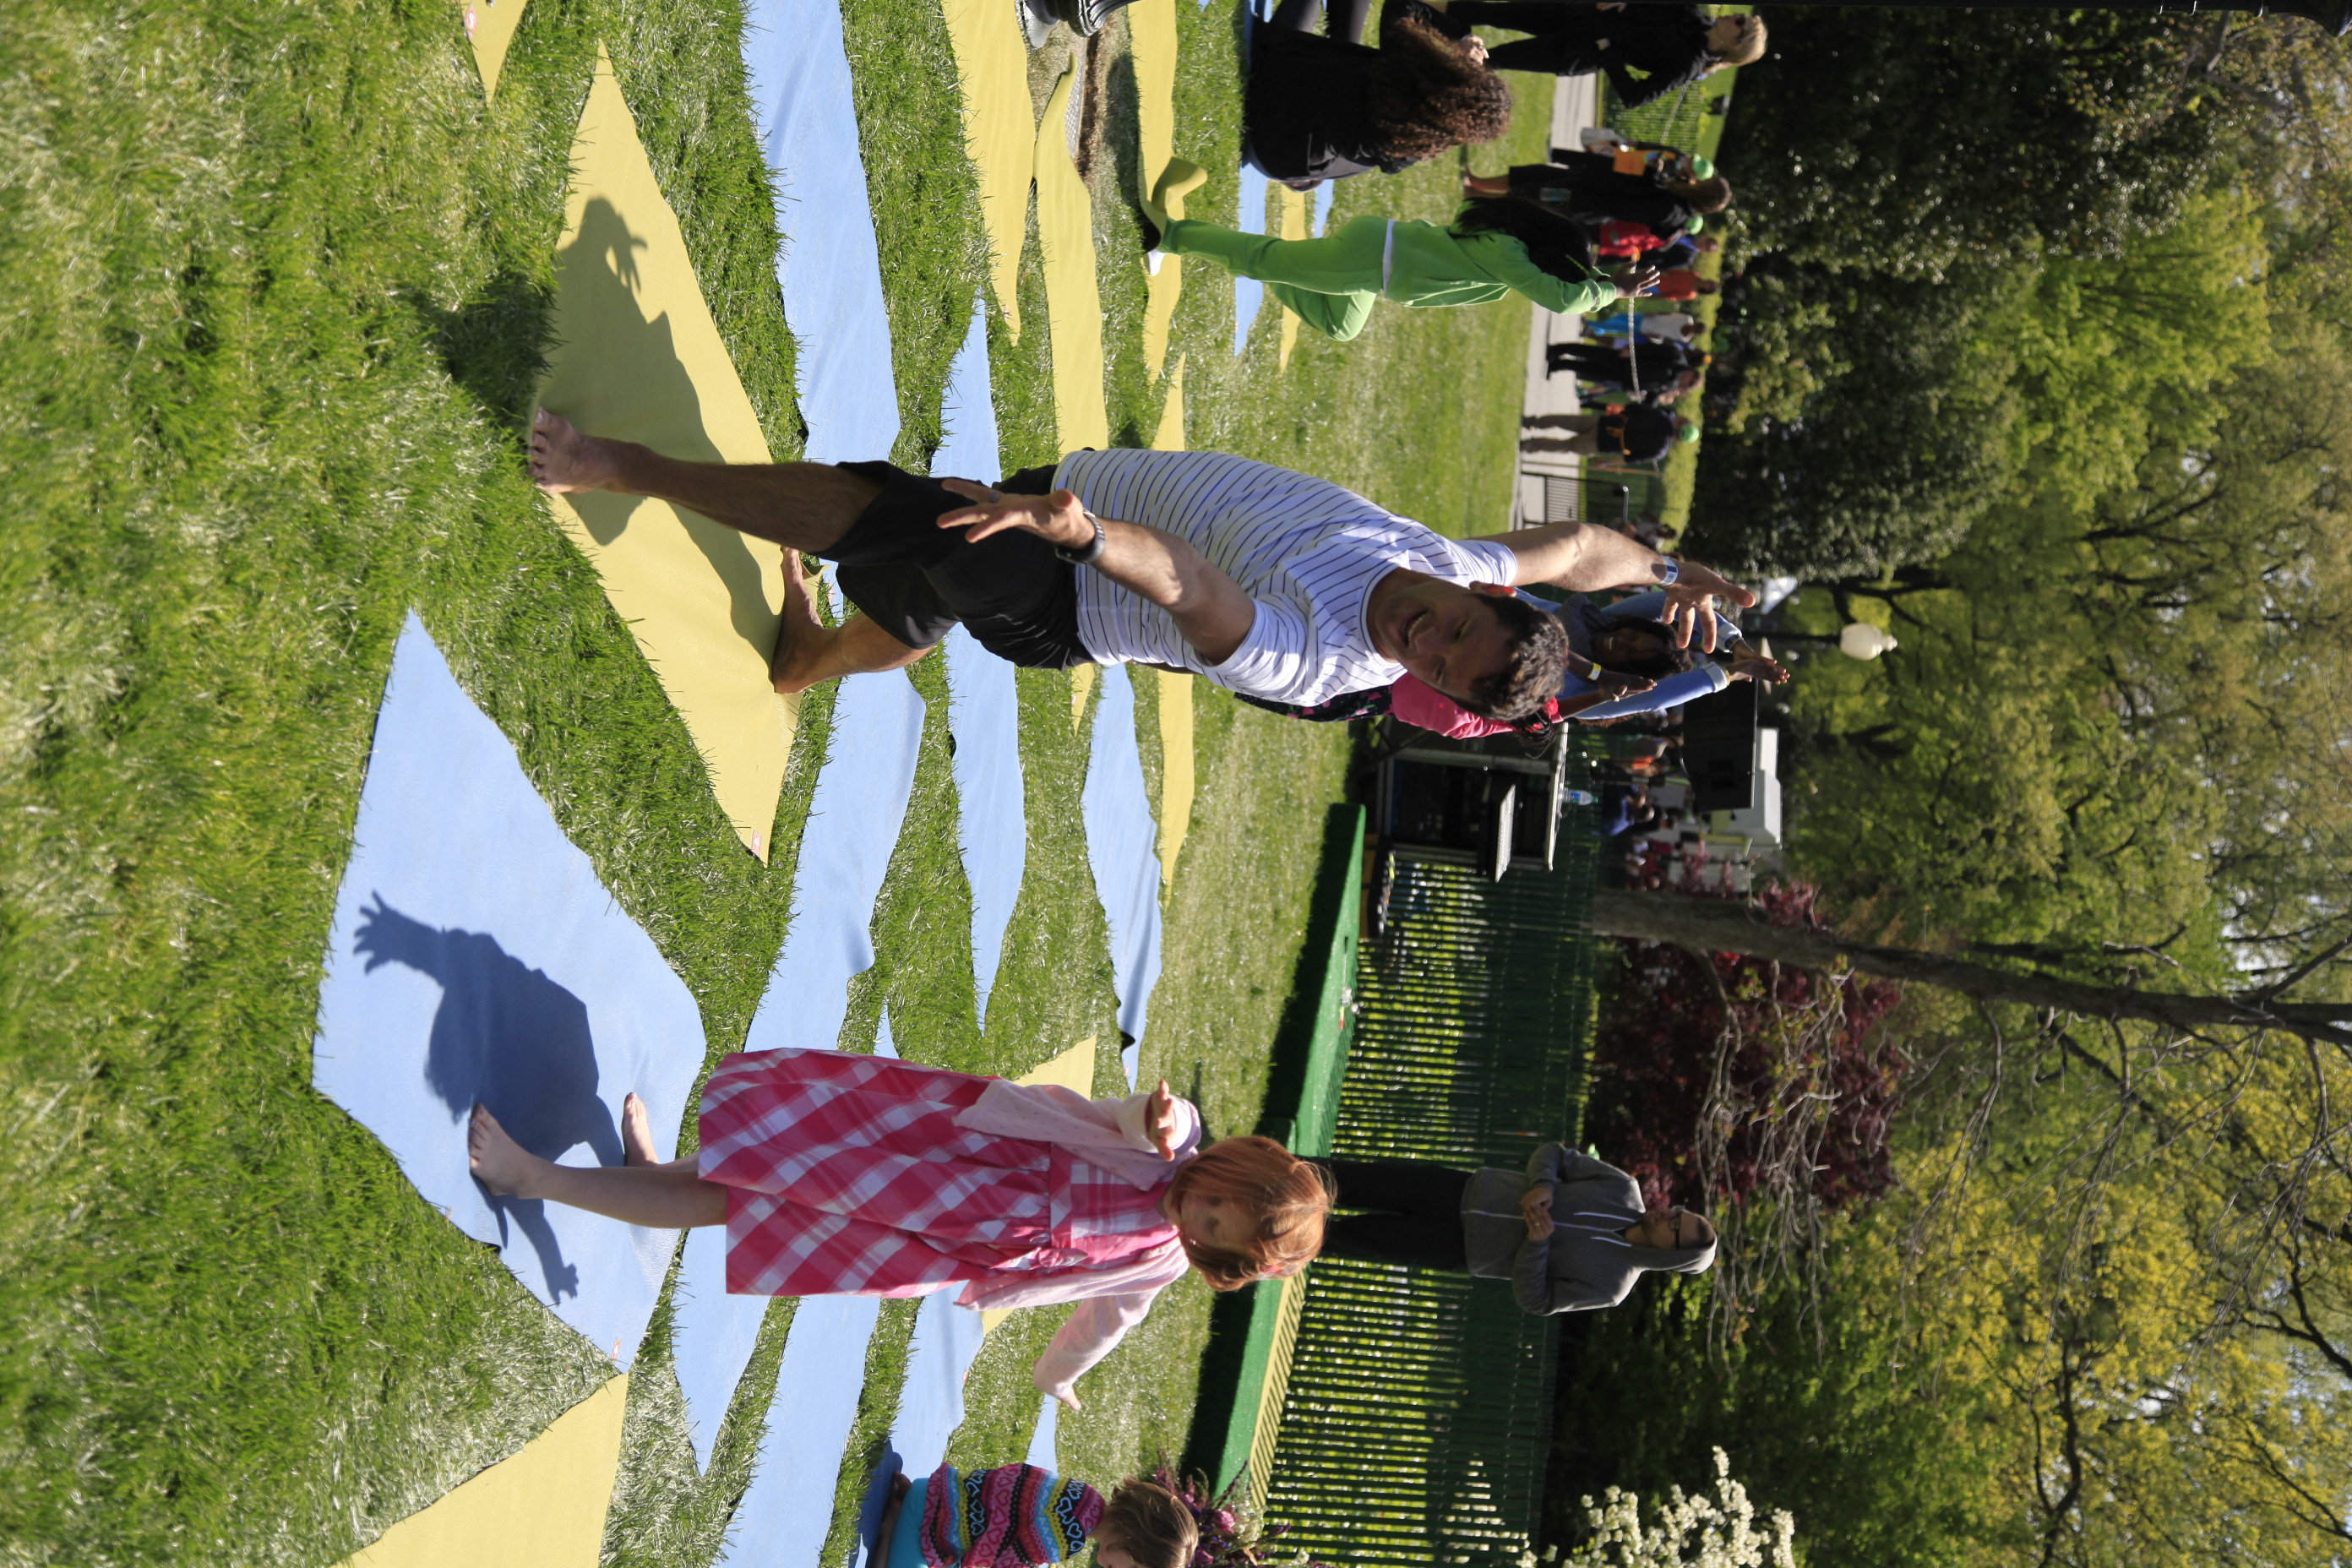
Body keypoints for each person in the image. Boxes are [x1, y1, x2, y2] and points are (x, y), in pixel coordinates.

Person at [525, 412, 1752, 722]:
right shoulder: (1444, 558)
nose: (1418, 644)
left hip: (1076, 587)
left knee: (903, 515)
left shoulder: (1320, 663)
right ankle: (807, 661)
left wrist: (1084, 535)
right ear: (1480, 596)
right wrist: (1675, 568)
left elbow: (1196, 593)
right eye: (1446, 627)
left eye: (1436, 663)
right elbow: (1585, 547)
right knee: (915, 569)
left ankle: (621, 464)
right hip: (1078, 499)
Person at [464, 1053, 1331, 1408]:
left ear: (1217, 1258)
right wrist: (1150, 1113)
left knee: (747, 1194)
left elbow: (1108, 1320)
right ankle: (640, 1177)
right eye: (1212, 1199)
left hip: (916, 1232)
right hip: (931, 1152)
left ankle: (534, 1178)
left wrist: (1058, 1372)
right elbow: (1131, 1121)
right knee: (758, 1170)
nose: (1196, 1216)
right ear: (1224, 1166)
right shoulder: (1168, 1147)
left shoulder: (1153, 1264)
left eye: (1211, 1232)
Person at [1139, 161, 1658, 342]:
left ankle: (1282, 270)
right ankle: (1174, 235)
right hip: (1371, 261)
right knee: (1261, 258)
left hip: (1374, 265)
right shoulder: (1510, 257)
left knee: (1342, 325)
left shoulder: (1509, 246)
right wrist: (1612, 288)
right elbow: (1564, 300)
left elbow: (1561, 290)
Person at [1315, 1143, 1717, 1314]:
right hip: (1460, 1189)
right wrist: (1544, 1184)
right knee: (1341, 1178)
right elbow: (1554, 1154)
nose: (1669, 1213)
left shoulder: (1611, 1287)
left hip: (1457, 1248)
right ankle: (1259, 1167)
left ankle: (1261, 1233)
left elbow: (1537, 1301)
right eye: (1679, 1210)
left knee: (1335, 1239)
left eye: (1676, 1225)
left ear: (1673, 1255)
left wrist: (1537, 1245)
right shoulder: (1622, 1189)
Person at [1385, 589, 1788, 738]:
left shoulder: (1587, 690)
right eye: (1632, 636)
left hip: (1419, 684)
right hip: (1435, 623)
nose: (1623, 644)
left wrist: (1728, 673)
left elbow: (1654, 698)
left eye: (1630, 656)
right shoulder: (1594, 622)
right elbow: (1661, 605)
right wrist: (1732, 641)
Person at [1246, 0, 1512, 186]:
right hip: (1273, 149)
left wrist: (1460, 37)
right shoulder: (1412, 146)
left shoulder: (1406, 61)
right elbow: (1389, 165)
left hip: (1272, 70)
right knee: (1366, 159)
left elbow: (1403, 5)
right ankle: (1307, 180)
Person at [862, 1460, 1195, 1568]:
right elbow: (1006, 1560)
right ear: (1130, 1539)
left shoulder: (1086, 1498)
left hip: (941, 1494)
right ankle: (893, 1523)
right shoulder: (1072, 1532)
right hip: (932, 1524)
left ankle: (907, 1502)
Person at [1433, 2, 1766, 106]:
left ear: (1735, 44)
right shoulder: (1694, 15)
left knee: (1492, 61)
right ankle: (1418, 6)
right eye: (1741, 15)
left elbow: (1636, 96)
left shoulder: (1688, 65)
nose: (1733, 16)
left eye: (1740, 22)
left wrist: (1609, 54)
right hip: (1578, 15)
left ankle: (1425, 70)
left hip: (1575, 52)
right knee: (1492, 12)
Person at [1467, 161, 1730, 240]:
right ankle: (1478, 183)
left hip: (1581, 198)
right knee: (1534, 175)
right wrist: (1654, 172)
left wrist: (1580, 198)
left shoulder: (1672, 211)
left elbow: (1623, 206)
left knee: (1529, 196)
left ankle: (1475, 196)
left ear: (1704, 192)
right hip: (1588, 182)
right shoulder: (1678, 193)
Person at [1521, 406, 1692, 462]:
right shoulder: (1659, 451)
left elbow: (1632, 408)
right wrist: (1606, 464)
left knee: (1565, 421)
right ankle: (1530, 445)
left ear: (1680, 422)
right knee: (1565, 446)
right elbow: (1628, 459)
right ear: (1680, 440)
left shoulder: (1660, 416)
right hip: (1604, 444)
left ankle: (1532, 422)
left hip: (1606, 423)